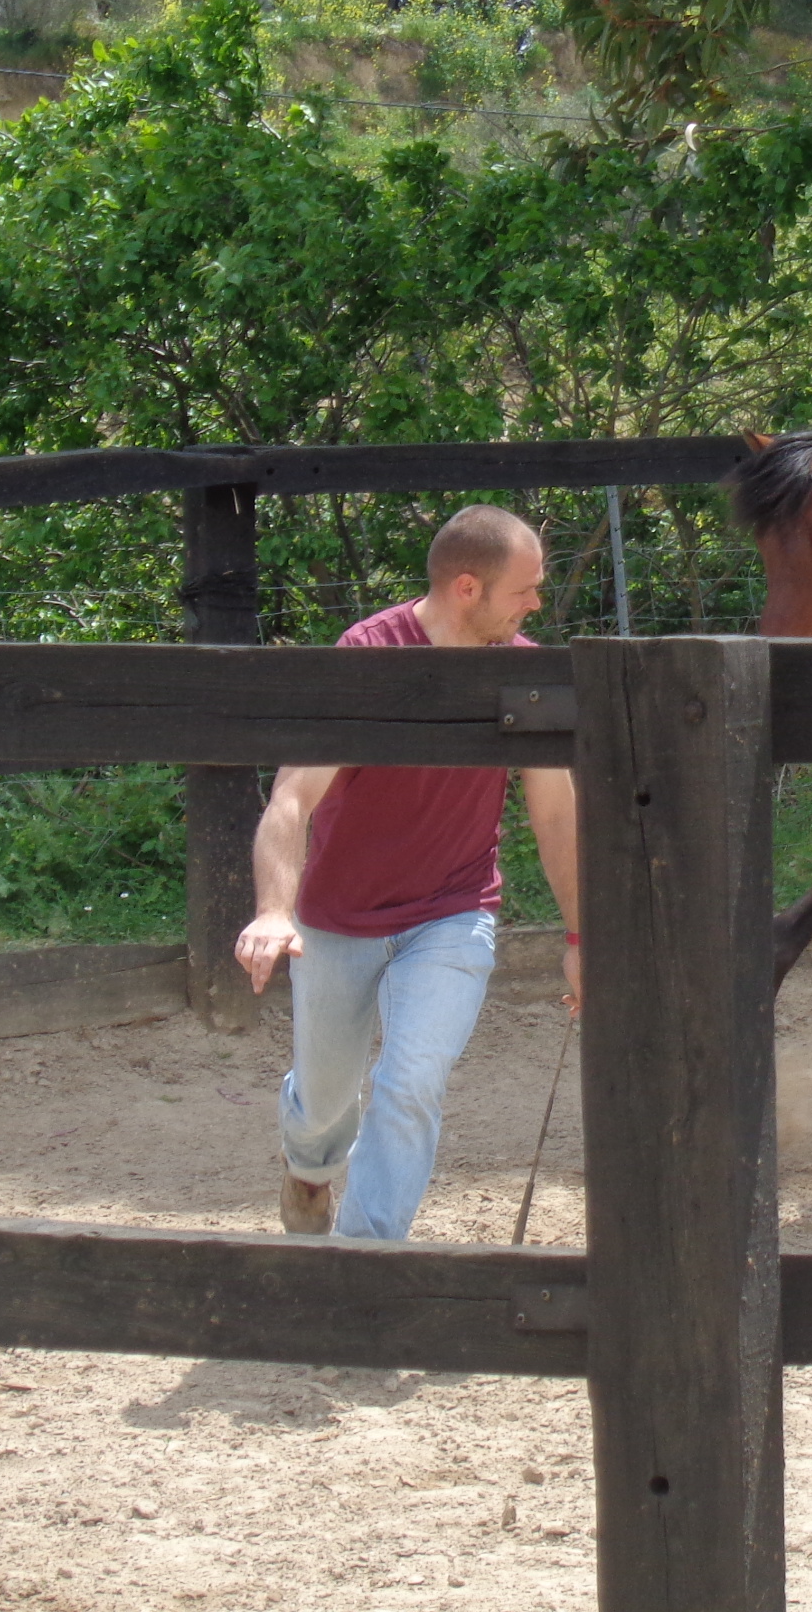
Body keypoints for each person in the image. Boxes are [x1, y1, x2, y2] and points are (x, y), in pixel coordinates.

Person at [233, 504, 581, 1240]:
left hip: (453, 912)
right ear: (466, 587)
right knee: (325, 1103)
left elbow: (555, 818)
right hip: (340, 917)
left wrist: (583, 939)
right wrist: (272, 911)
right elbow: (292, 797)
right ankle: (309, 1167)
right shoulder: (366, 660)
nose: (535, 604)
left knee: (411, 1080)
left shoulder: (524, 673)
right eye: (524, 589)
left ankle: (365, 1265)